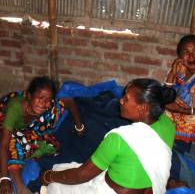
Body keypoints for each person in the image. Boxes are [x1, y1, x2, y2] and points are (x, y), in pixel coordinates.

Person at [40, 78, 176, 194]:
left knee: (55, 185)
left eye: (126, 99)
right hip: (151, 189)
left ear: (142, 108)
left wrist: (48, 176)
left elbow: (81, 175)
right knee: (64, 169)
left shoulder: (119, 138)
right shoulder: (168, 124)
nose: (121, 101)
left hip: (110, 191)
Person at [0, 76, 84, 194]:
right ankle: (19, 185)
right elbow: (4, 145)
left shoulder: (50, 106)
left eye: (48, 99)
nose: (44, 103)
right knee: (13, 142)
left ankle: (25, 152)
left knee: (52, 145)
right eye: (40, 98)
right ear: (29, 96)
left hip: (27, 132)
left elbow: (69, 102)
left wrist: (79, 126)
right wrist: (4, 179)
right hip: (5, 124)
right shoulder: (15, 108)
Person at [164, 34, 195, 188]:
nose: (191, 56)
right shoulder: (179, 70)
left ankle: (174, 178)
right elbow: (165, 96)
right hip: (175, 118)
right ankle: (170, 177)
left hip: (194, 122)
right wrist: (172, 73)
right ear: (180, 56)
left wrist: (183, 110)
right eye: (186, 52)